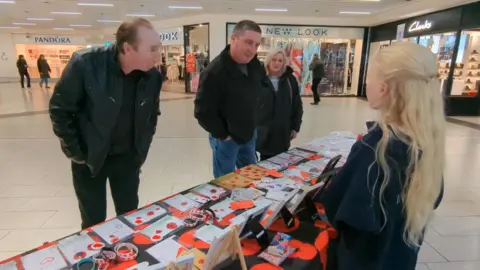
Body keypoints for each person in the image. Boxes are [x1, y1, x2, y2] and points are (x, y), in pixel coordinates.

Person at [321, 43, 445, 270]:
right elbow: (434, 196)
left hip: (364, 259)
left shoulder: (374, 148)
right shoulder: (425, 141)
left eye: (369, 76)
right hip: (402, 254)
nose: (366, 82)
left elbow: (343, 210)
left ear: (384, 88)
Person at [49, 18, 162, 229]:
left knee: (129, 217)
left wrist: (141, 148)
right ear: (128, 48)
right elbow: (60, 109)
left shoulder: (153, 77)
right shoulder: (85, 64)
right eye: (153, 49)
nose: (158, 56)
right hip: (90, 159)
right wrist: (76, 152)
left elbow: (152, 114)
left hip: (127, 159)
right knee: (93, 220)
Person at [194, 20, 270, 178]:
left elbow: (262, 86)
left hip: (249, 133)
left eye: (256, 45)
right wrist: (223, 134)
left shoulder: (254, 64)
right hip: (227, 139)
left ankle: (249, 202)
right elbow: (203, 112)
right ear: (233, 38)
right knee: (226, 181)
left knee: (250, 176)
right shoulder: (214, 72)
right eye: (248, 42)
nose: (252, 50)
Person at [257, 48, 303, 160]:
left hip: (282, 129)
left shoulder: (290, 80)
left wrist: (295, 127)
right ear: (268, 60)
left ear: (284, 63)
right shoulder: (259, 79)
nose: (276, 63)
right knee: (265, 162)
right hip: (263, 130)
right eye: (274, 60)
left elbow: (297, 106)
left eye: (280, 60)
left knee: (281, 160)